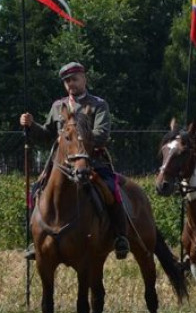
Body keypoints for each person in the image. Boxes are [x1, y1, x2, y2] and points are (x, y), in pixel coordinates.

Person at [20, 61, 130, 260]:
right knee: (35, 190)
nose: (71, 83)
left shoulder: (98, 104)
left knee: (111, 188)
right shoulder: (57, 106)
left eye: (74, 79)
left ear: (84, 79)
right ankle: (36, 238)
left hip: (92, 161)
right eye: (67, 81)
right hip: (61, 165)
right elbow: (46, 135)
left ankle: (119, 236)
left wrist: (76, 139)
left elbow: (102, 134)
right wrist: (31, 125)